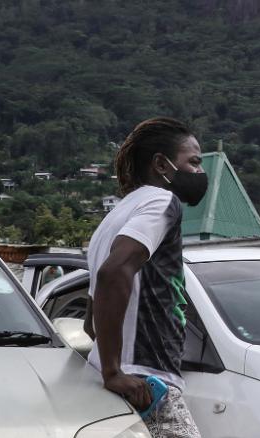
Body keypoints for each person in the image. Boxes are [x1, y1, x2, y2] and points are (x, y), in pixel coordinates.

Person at [83, 117, 207, 437]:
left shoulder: (115, 217)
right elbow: (113, 272)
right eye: (193, 162)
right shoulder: (161, 201)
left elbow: (89, 322)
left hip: (117, 382)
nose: (199, 172)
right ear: (161, 164)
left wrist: (111, 368)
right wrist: (115, 371)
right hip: (146, 383)